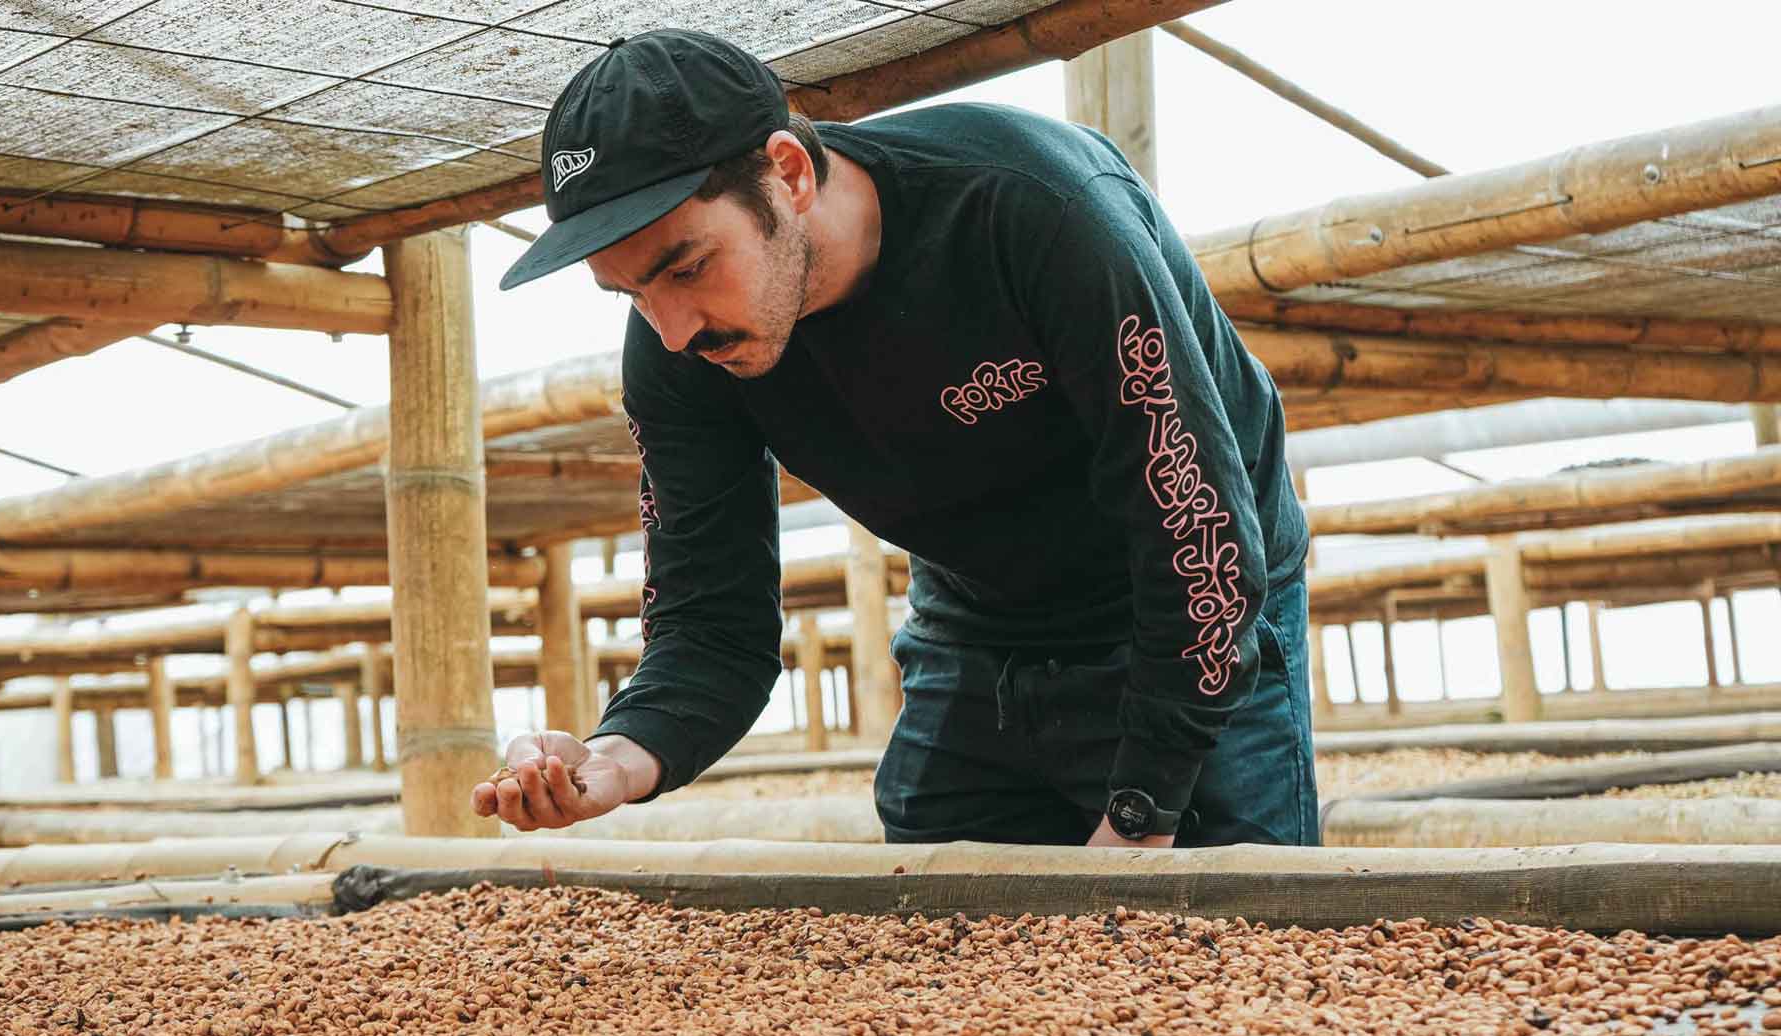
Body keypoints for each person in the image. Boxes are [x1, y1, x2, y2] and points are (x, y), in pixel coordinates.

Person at [469, 29, 1318, 849]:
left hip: (1194, 608)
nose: (672, 326)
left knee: (1237, 941)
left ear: (789, 174)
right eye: (629, 294)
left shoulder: (1035, 212)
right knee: (937, 931)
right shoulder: (680, 348)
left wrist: (1138, 815)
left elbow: (1196, 540)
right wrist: (612, 761)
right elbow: (711, 623)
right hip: (977, 620)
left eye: (687, 267)